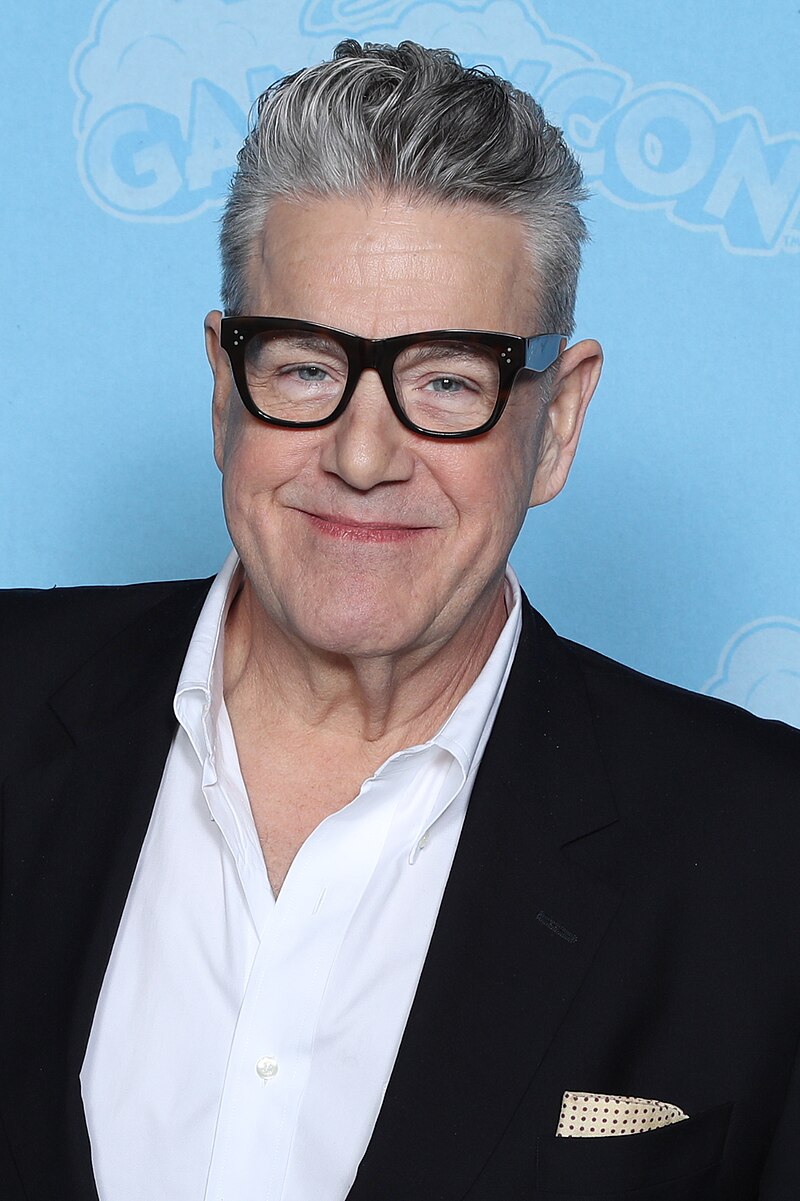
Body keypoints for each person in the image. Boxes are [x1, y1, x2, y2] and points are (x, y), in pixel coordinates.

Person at [1, 39, 798, 1201]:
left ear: (556, 424)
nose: (364, 456)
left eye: (447, 381)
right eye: (304, 368)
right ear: (225, 389)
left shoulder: (764, 852)